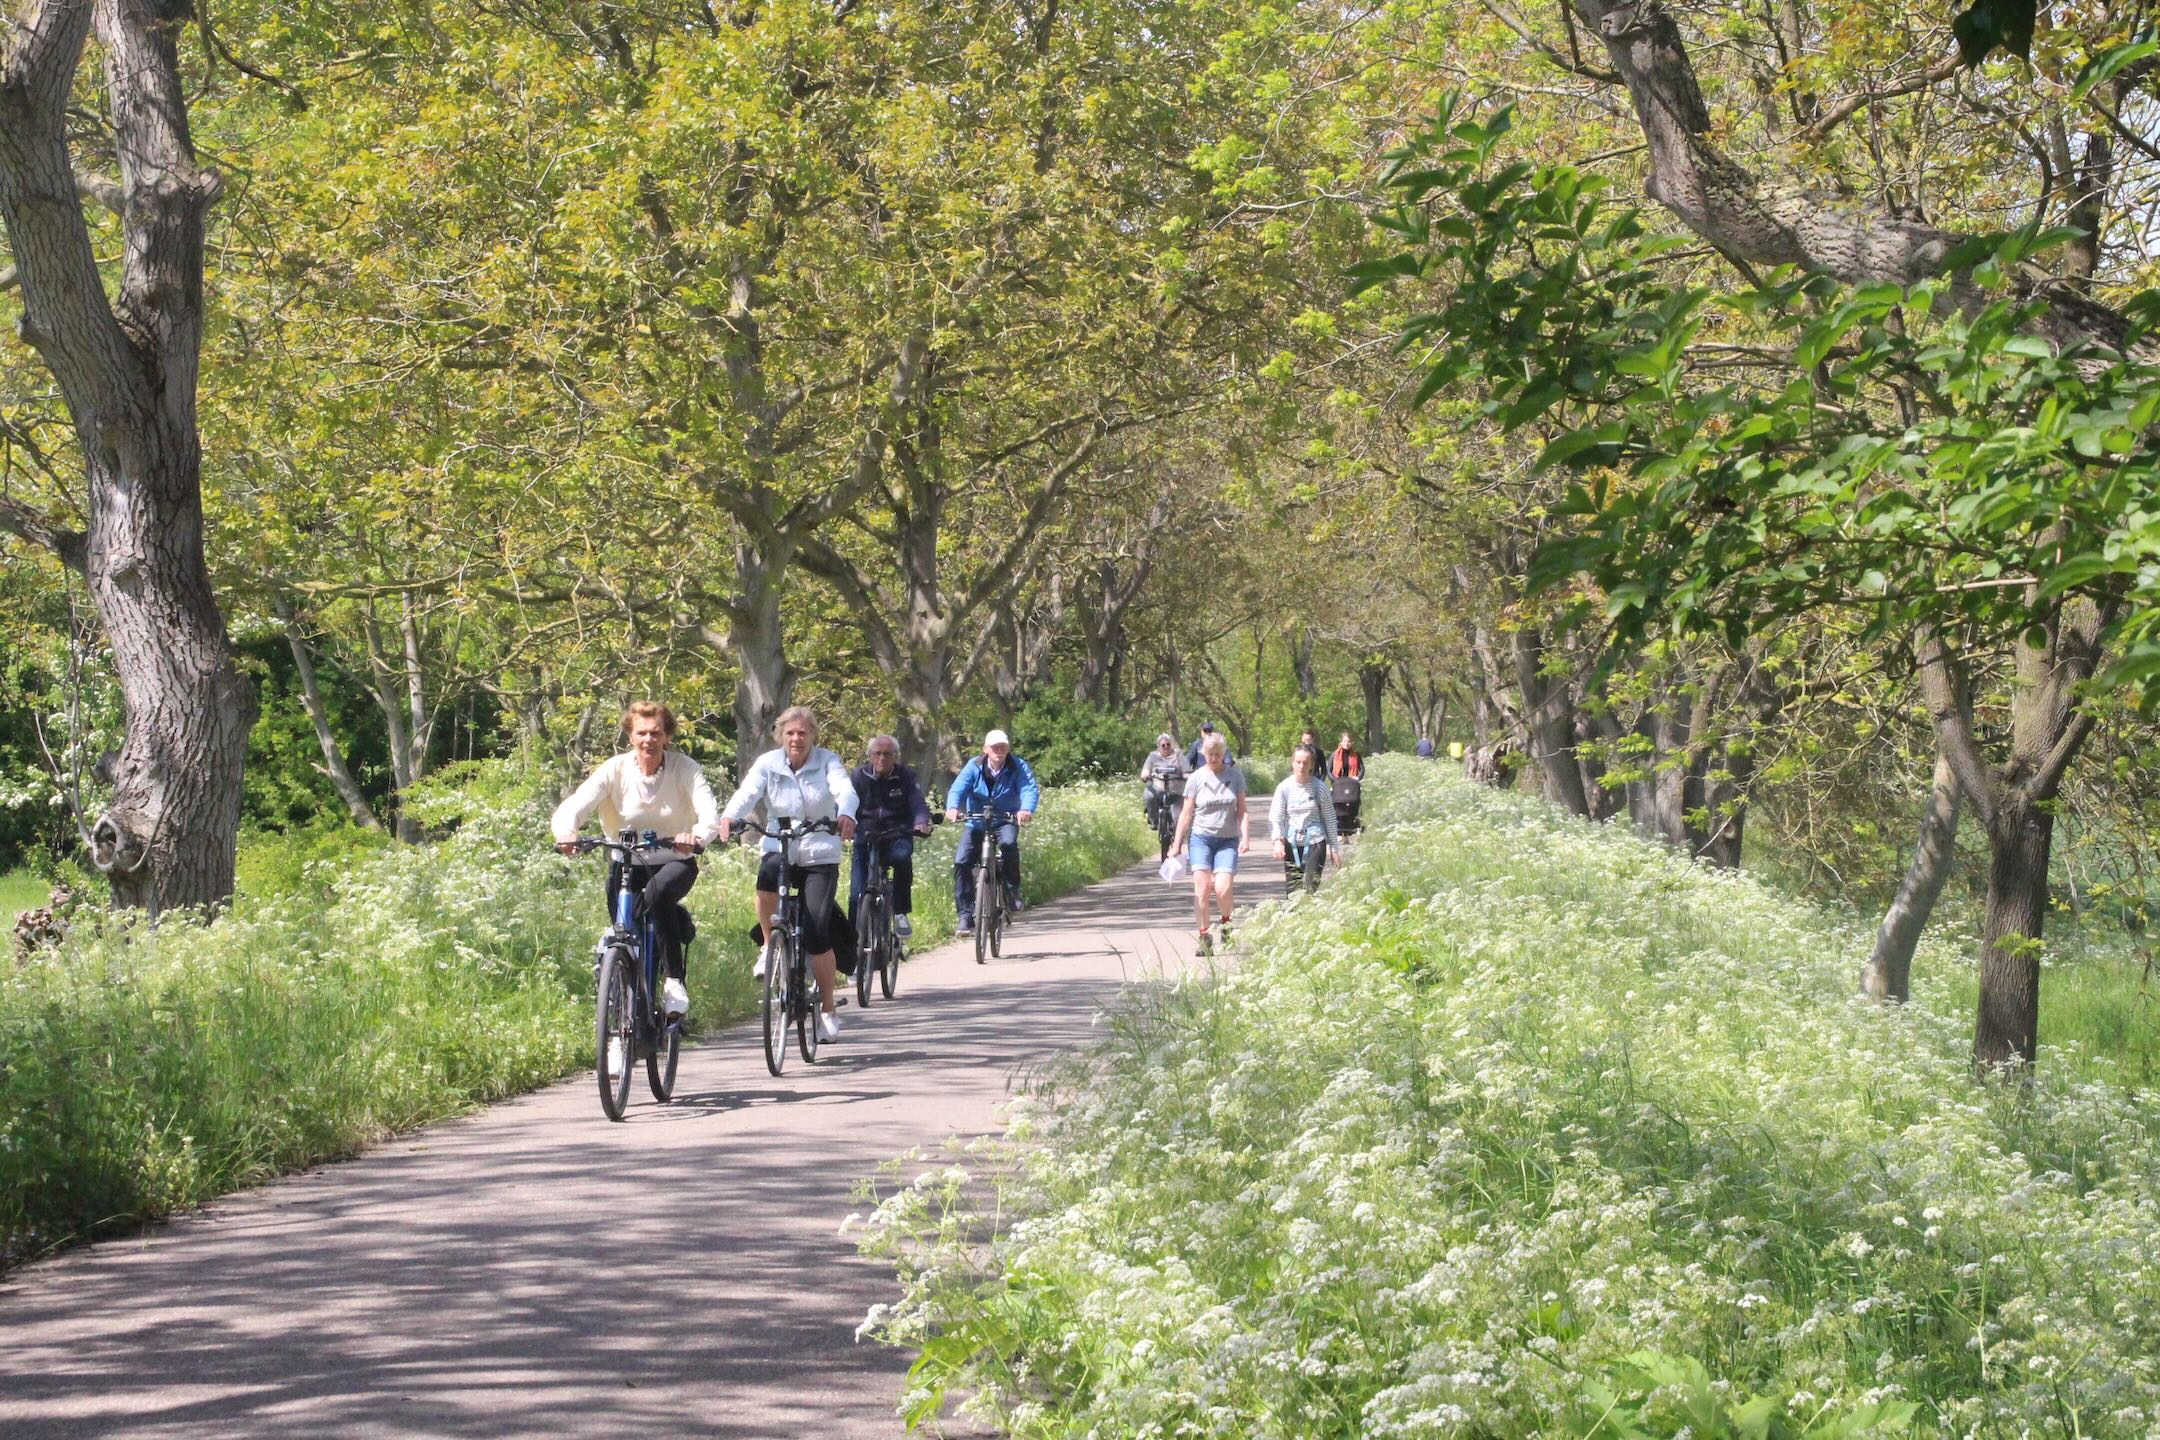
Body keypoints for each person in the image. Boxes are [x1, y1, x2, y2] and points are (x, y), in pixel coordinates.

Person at [551, 701, 722, 1044]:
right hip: (626, 865)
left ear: (667, 735)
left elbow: (709, 813)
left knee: (659, 895)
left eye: (656, 733)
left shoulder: (685, 769)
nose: (649, 739)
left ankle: (673, 980)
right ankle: (621, 1024)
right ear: (630, 735)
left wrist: (696, 836)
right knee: (623, 937)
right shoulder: (613, 770)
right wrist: (566, 831)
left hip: (674, 861)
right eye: (641, 733)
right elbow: (576, 803)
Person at [718, 707, 858, 1042]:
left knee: (817, 930)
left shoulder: (827, 761)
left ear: (813, 736)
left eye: (803, 733)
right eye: (790, 733)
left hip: (819, 853)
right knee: (766, 875)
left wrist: (846, 813)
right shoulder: (768, 763)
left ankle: (827, 1008)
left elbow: (844, 789)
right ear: (781, 735)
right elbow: (748, 792)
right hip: (780, 846)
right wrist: (730, 817)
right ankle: (769, 945)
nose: (796, 739)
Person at [945, 729, 1039, 936]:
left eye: (1002, 747)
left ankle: (1012, 890)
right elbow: (958, 788)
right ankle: (965, 915)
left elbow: (1028, 789)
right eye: (994, 747)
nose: (999, 750)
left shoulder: (1018, 766)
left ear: (1007, 748)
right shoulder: (974, 766)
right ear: (986, 749)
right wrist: (953, 807)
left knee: (1008, 845)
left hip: (1005, 819)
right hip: (977, 821)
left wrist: (1025, 810)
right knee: (962, 861)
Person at [1171, 732, 1248, 956]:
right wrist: (1176, 844)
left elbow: (1242, 812)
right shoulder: (1196, 778)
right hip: (1201, 839)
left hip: (1227, 840)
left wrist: (1245, 837)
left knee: (1223, 889)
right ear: (1204, 754)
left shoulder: (1235, 777)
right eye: (1210, 755)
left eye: (1218, 755)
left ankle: (1225, 923)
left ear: (1223, 754)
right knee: (1202, 889)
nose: (1214, 759)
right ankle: (1204, 937)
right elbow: (1186, 814)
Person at [850, 734, 932, 940]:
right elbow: (846, 803)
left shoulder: (906, 777)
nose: (882, 758)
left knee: (902, 858)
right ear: (869, 756)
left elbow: (917, 803)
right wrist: (841, 821)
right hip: (866, 837)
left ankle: (900, 912)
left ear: (895, 756)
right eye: (877, 754)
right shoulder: (858, 776)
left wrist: (921, 822)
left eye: (887, 754)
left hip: (897, 833)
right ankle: (852, 946)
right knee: (855, 895)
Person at [1271, 743, 1340, 890]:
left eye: (1305, 763)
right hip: (1292, 842)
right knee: (1293, 891)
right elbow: (1276, 817)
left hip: (1315, 842)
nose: (1301, 766)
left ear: (1312, 765)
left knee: (1310, 887)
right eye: (1298, 762)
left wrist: (1334, 849)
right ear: (1292, 763)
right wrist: (1277, 840)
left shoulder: (1319, 788)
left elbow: (1330, 819)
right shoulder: (1284, 788)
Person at [1139, 733, 1188, 839]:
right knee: (1148, 795)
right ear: (1158, 747)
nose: (1166, 747)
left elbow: (1187, 770)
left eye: (1168, 744)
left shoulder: (1178, 755)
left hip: (1176, 789)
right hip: (1159, 787)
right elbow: (1146, 769)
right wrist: (1145, 774)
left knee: (1177, 816)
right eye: (1163, 745)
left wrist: (1186, 775)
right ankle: (1154, 821)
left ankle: (1178, 837)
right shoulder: (1153, 756)